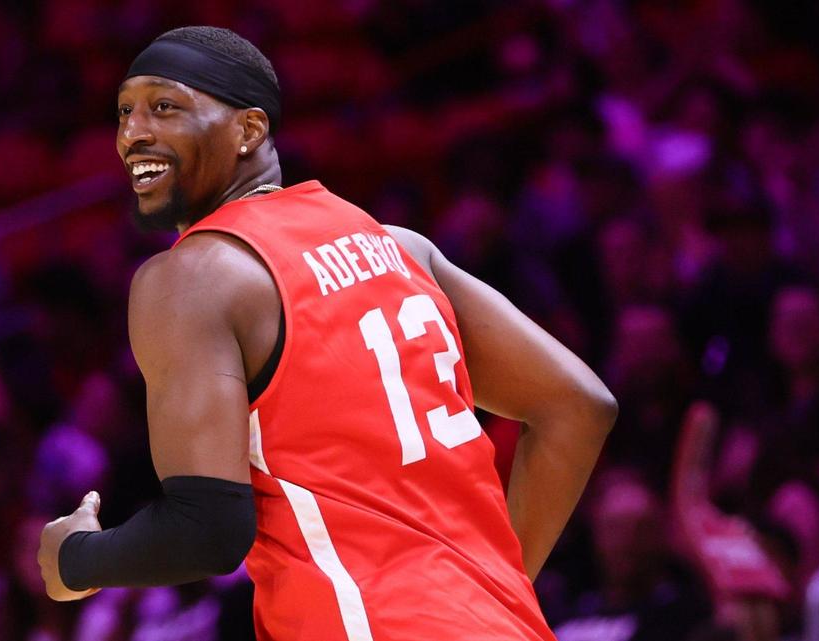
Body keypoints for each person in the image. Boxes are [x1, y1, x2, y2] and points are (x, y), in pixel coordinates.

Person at [37, 26, 617, 641]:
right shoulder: (400, 249)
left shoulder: (194, 278)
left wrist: (75, 560)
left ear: (249, 131)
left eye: (165, 107)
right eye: (125, 111)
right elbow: (578, 405)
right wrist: (485, 592)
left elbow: (207, 530)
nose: (133, 133)